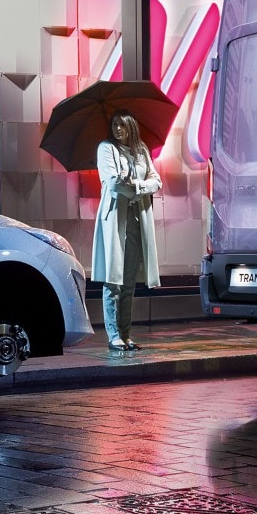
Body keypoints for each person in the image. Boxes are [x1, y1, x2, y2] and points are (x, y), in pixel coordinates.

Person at [91, 110, 162, 352]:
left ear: (131, 126)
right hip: (116, 218)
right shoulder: (106, 148)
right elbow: (112, 182)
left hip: (136, 219)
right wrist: (136, 189)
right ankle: (113, 335)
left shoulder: (141, 150)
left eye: (122, 125)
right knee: (113, 279)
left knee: (129, 281)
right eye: (114, 125)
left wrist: (137, 186)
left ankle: (126, 333)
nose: (117, 129)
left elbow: (156, 181)